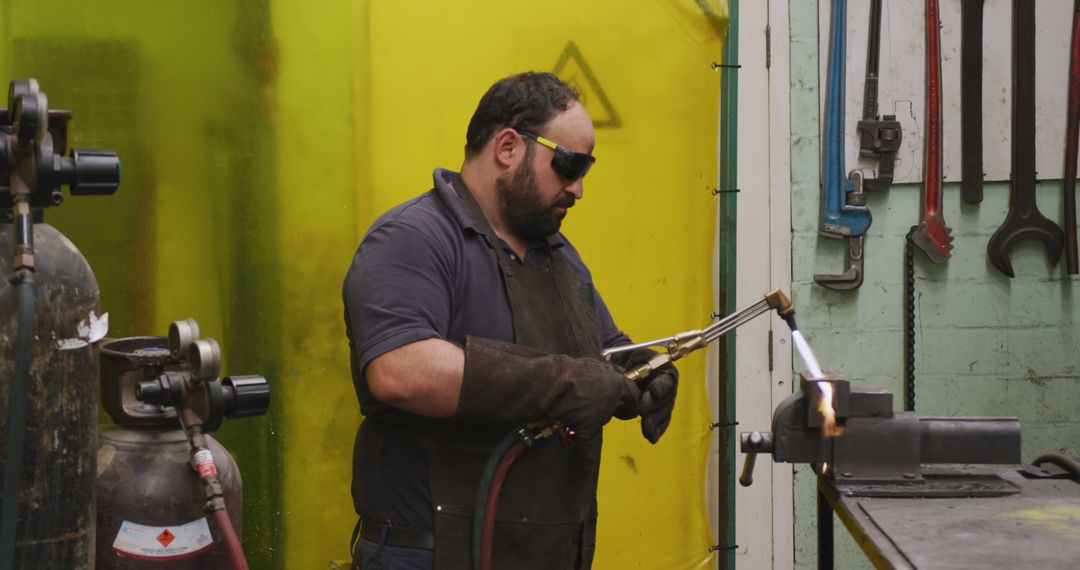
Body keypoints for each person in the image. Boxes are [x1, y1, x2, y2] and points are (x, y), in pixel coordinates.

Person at [342, 71, 678, 569]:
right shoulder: (413, 239)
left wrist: (643, 368)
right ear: (507, 147)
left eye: (587, 169)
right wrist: (569, 383)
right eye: (569, 165)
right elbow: (400, 370)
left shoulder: (559, 256)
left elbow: (600, 352)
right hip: (437, 554)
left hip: (543, 551)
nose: (579, 188)